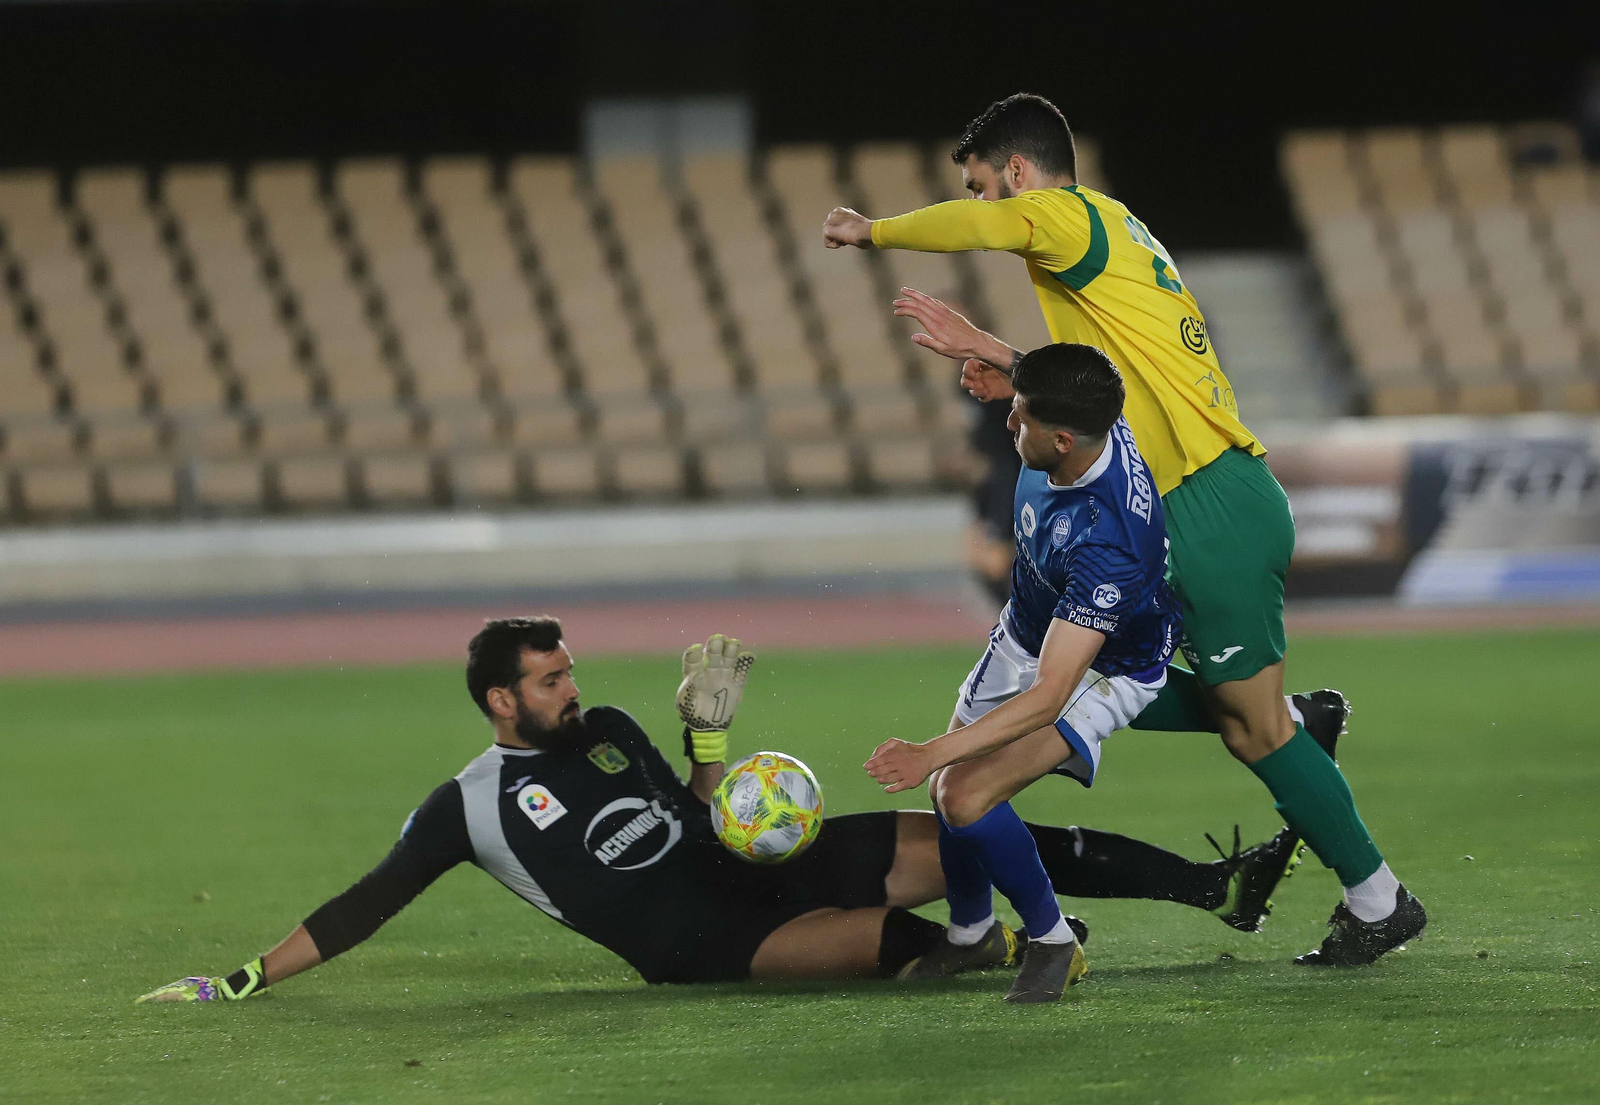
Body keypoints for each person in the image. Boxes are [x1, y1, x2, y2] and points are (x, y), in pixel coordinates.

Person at [826, 93, 1426, 967]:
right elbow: (1111, 388)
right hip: (1190, 494)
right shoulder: (1104, 242)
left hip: (1208, 505)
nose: (990, 207)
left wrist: (871, 231)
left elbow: (979, 232)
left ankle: (1379, 898)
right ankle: (1297, 728)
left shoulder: (1062, 216)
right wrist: (996, 357)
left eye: (988, 188)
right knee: (1110, 673)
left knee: (1248, 729)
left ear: (1021, 175)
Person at [137, 616, 1300, 1003]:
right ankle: (1007, 942)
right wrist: (240, 977)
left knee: (974, 826)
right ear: (501, 699)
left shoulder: (604, 734)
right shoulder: (467, 805)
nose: (571, 687)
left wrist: (707, 738)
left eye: (568, 670)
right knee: (908, 946)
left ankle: (1214, 889)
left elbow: (696, 818)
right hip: (705, 942)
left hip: (753, 867)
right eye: (549, 680)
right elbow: (366, 903)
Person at [869, 344, 1234, 1004]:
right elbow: (1074, 378)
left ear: (1061, 440)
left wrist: (930, 752)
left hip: (1104, 665)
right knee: (950, 794)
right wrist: (984, 352)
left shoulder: (1107, 542)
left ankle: (1054, 940)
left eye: (1018, 416)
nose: (1009, 424)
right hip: (1029, 627)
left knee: (961, 793)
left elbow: (1050, 695)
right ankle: (973, 931)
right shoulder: (1092, 422)